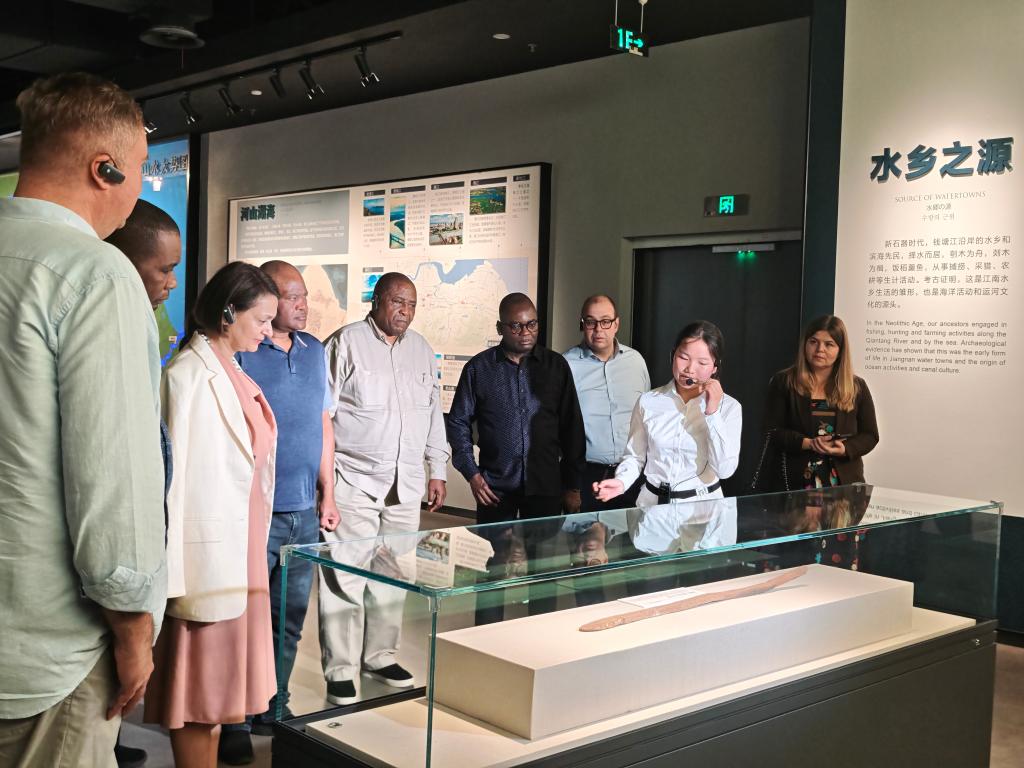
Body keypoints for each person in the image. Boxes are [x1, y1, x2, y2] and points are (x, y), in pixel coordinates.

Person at [0, 73, 166, 768]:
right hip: (48, 655)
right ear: (107, 168)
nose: (139, 191)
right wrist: (133, 632)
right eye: (140, 171)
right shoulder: (95, 274)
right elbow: (112, 479)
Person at [143, 262, 280, 768]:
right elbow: (170, 487)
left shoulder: (232, 370)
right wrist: (176, 580)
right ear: (228, 313)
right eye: (261, 320)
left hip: (241, 553)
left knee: (220, 698)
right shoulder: (187, 376)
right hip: (206, 562)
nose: (269, 332)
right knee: (199, 700)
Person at [217, 261, 341, 763]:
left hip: (303, 511)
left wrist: (328, 493)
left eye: (304, 296)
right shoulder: (244, 351)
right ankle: (234, 719)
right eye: (292, 297)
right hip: (256, 512)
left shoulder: (314, 352)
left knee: (288, 619)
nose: (303, 305)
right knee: (243, 619)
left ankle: (275, 705)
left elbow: (322, 423)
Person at [319, 272, 449, 705]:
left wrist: (437, 469)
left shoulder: (421, 349)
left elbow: (433, 414)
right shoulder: (345, 343)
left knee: (393, 576)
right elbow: (323, 416)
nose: (404, 312)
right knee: (344, 576)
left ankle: (379, 656)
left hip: (405, 485)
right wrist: (325, 485)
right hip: (352, 480)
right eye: (397, 302)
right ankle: (340, 669)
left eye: (411, 304)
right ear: (376, 301)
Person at [448, 293, 586, 623]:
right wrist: (472, 474)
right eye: (516, 326)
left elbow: (572, 427)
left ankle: (538, 635)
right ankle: (486, 637)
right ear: (500, 328)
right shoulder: (479, 369)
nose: (526, 332)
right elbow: (457, 423)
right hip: (495, 489)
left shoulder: (555, 367)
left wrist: (572, 486)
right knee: (493, 571)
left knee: (543, 573)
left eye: (532, 324)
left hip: (545, 486)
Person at [105, 198, 181, 768]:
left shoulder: (145, 319)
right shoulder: (110, 317)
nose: (172, 282)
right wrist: (133, 624)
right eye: (164, 269)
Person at [594, 320, 742, 507]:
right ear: (672, 355)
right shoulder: (648, 401)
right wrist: (621, 482)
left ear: (715, 367)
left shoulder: (729, 407)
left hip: (703, 507)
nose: (690, 369)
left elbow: (724, 470)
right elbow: (634, 456)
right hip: (653, 505)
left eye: (702, 362)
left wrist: (712, 413)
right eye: (683, 357)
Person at [756, 314, 878, 491]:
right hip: (794, 483)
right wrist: (807, 443)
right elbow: (771, 431)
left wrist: (844, 448)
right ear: (805, 344)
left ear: (840, 350)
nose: (820, 349)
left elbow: (870, 435)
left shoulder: (857, 387)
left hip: (843, 485)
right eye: (813, 342)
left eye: (829, 344)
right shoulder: (784, 382)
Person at [563, 294, 650, 510]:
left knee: (633, 531)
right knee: (585, 532)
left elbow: (648, 416)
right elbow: (557, 425)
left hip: (633, 475)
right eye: (590, 322)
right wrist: (570, 485)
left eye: (605, 321)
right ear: (582, 324)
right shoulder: (566, 365)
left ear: (616, 324)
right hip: (586, 478)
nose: (598, 329)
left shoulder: (636, 362)